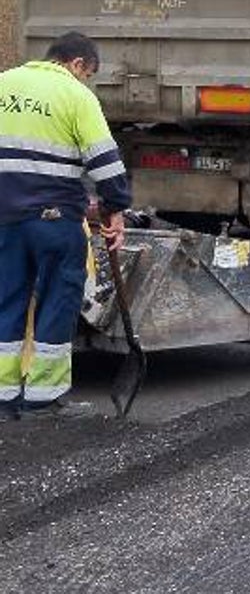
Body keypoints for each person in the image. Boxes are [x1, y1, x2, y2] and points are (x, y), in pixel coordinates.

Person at [0, 31, 131, 417]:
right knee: (59, 298)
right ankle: (43, 396)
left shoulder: (3, 83)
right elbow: (105, 163)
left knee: (6, 299)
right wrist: (115, 206)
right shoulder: (75, 95)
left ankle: (3, 396)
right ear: (77, 64)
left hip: (4, 219)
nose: (85, 80)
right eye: (87, 73)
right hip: (54, 220)